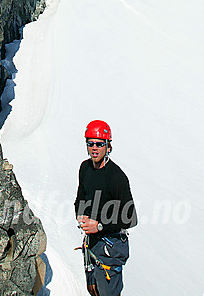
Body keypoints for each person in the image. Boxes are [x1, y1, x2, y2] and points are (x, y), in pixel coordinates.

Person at [75, 120, 137, 296]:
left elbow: (131, 218)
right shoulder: (85, 168)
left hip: (111, 245)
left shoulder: (117, 177)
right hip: (92, 243)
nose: (94, 148)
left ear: (108, 146)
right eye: (91, 143)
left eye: (100, 144)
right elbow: (81, 197)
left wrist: (99, 225)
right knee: (93, 290)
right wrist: (81, 215)